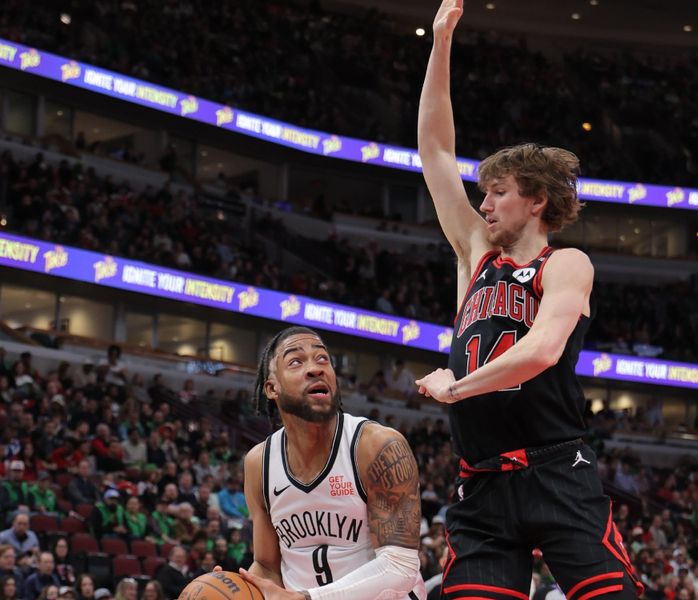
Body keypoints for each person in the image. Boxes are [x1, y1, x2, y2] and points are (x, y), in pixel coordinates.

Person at [415, 1, 642, 598]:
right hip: (483, 484)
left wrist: (456, 387)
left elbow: (542, 349)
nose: (482, 204)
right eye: (483, 194)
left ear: (536, 201)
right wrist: (440, 43)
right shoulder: (473, 253)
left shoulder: (566, 264)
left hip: (556, 469)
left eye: (496, 192)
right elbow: (435, 153)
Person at [224, 326, 425, 600]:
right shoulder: (259, 463)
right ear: (272, 388)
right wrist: (233, 588)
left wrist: (309, 599)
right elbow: (268, 566)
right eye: (296, 361)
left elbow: (400, 567)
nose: (315, 369)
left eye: (322, 359)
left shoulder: (376, 445)